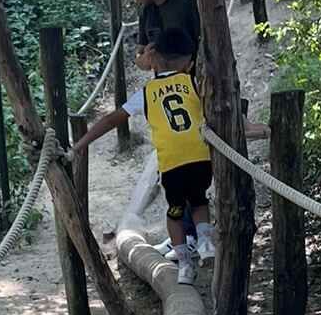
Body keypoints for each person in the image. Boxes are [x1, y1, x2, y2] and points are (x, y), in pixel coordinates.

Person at [72, 27, 264, 285]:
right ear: (190, 62)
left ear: (155, 58)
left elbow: (110, 120)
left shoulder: (147, 93)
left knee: (174, 213)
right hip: (201, 159)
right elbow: (222, 111)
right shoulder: (195, 84)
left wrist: (81, 144)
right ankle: (205, 240)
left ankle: (184, 263)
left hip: (172, 165)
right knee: (198, 200)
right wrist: (252, 127)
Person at [123, 0, 201, 66]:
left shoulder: (189, 4)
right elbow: (140, 51)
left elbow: (206, 49)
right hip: (163, 81)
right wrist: (142, 59)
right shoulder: (146, 10)